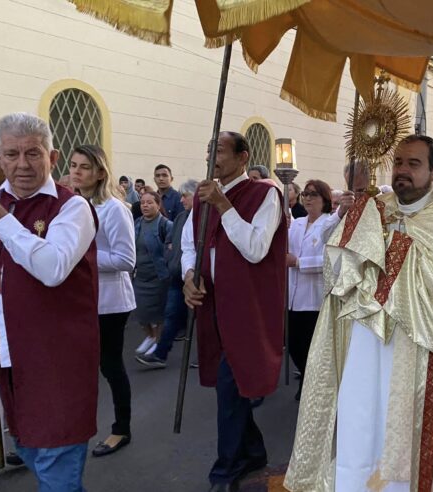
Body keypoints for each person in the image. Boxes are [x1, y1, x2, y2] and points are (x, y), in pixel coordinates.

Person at [285, 135, 433, 491]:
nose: (402, 171)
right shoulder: (373, 208)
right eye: (398, 162)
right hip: (365, 341)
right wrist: (350, 229)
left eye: (413, 164)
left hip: (419, 347)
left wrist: (392, 250)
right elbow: (337, 273)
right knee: (360, 420)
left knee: (402, 431)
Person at [0, 112, 98, 490]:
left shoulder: (71, 207)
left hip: (57, 360)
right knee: (30, 446)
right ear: (0, 157)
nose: (22, 164)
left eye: (33, 153)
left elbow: (53, 267)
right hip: (9, 359)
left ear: (53, 157)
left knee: (56, 459)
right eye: (11, 154)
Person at [182, 131, 286, 491]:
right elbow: (189, 245)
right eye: (209, 149)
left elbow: (256, 248)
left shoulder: (265, 194)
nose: (213, 156)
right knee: (232, 386)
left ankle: (224, 470)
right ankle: (253, 451)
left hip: (248, 308)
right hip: (212, 302)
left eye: (221, 150)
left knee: (231, 385)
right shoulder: (201, 197)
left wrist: (225, 206)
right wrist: (189, 275)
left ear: (243, 157)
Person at [69, 145, 137, 458]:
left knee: (110, 366)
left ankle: (121, 428)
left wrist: (82, 257)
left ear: (100, 172)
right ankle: (69, 430)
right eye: (73, 165)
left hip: (110, 301)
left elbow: (125, 259)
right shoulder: (70, 205)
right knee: (76, 367)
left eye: (84, 166)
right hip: (79, 299)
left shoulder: (113, 208)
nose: (76, 172)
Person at [136, 179, 199, 368]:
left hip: (197, 277)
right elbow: (170, 242)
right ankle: (159, 354)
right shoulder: (181, 218)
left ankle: (208, 356)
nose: (181, 200)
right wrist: (170, 255)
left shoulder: (205, 217)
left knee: (204, 321)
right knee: (170, 314)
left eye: (185, 196)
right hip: (177, 275)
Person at [286, 179, 332, 401]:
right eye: (305, 194)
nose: (308, 198)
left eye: (314, 194)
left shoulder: (329, 223)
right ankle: (306, 375)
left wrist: (298, 262)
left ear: (325, 199)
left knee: (310, 345)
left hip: (314, 298)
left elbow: (330, 261)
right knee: (293, 344)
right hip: (293, 296)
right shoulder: (296, 223)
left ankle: (311, 383)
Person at [132, 191, 173, 356]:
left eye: (150, 203)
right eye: (143, 203)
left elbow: (171, 250)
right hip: (140, 276)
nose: (145, 206)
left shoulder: (165, 225)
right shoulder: (137, 223)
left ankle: (157, 341)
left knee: (157, 313)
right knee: (141, 312)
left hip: (158, 276)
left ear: (158, 205)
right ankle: (149, 336)